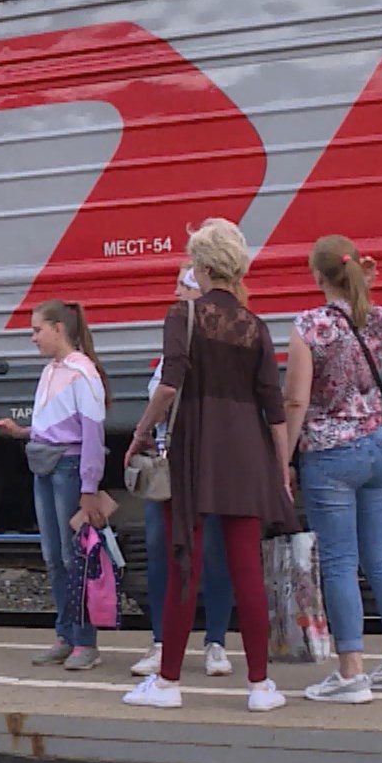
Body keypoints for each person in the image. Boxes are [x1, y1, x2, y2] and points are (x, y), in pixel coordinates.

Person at [125, 218, 292, 713]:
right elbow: (274, 407)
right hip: (248, 454)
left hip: (197, 449)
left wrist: (139, 434)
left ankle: (168, 683)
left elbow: (169, 385)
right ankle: (261, 687)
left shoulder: (183, 315)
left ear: (200, 265)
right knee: (247, 571)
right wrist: (280, 470)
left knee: (184, 565)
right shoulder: (255, 326)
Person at [284, 235, 382, 703]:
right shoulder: (379, 318)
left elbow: (297, 398)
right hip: (379, 446)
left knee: (340, 563)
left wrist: (284, 455)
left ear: (317, 276)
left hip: (330, 453)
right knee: (380, 557)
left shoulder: (309, 326)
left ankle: (350, 673)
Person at [0, 300, 114, 672]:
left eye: (37, 330)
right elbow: (62, 424)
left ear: (58, 328)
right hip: (46, 463)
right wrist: (23, 432)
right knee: (54, 556)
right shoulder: (51, 371)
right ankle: (66, 635)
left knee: (74, 555)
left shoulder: (81, 372)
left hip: (68, 466)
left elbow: (92, 432)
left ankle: (84, 640)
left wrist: (89, 485)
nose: (33, 338)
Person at [132, 264, 234, 680]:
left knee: (212, 551)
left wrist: (139, 432)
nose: (174, 292)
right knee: (162, 549)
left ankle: (215, 640)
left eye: (182, 284)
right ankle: (162, 641)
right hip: (169, 461)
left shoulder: (222, 341)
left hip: (203, 460)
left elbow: (168, 393)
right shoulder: (173, 340)